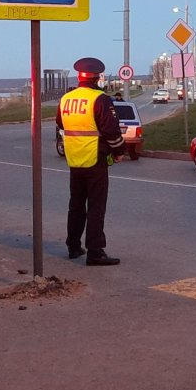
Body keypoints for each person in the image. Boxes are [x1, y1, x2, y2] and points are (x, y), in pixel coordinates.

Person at [57, 57, 125, 266]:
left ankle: (73, 246)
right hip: (95, 158)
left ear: (79, 77)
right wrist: (120, 150)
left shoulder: (66, 99)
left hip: (74, 158)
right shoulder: (100, 99)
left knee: (75, 205)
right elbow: (110, 130)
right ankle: (95, 251)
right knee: (96, 206)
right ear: (98, 77)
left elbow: (61, 124)